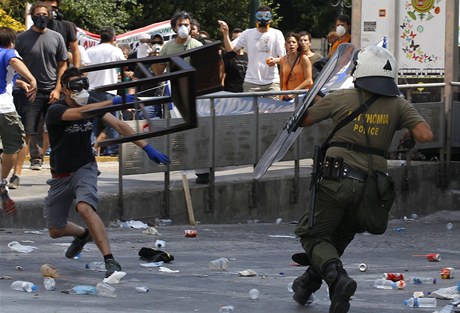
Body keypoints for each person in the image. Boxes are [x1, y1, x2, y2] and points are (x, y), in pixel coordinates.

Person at [291, 46, 433, 313]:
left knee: (312, 235)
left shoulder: (341, 97)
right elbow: (425, 135)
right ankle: (312, 285)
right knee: (340, 236)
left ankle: (337, 277)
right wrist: (407, 133)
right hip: (372, 189)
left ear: (360, 71)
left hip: (337, 179)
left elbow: (304, 119)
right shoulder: (399, 105)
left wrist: (313, 99)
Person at [44, 67, 170, 278]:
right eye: (76, 87)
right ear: (65, 90)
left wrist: (146, 147)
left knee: (84, 207)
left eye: (84, 85)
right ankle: (84, 235)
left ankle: (109, 259)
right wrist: (111, 102)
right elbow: (80, 113)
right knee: (55, 230)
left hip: (85, 167)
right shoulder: (56, 110)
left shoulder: (91, 102)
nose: (81, 90)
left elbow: (119, 125)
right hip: (60, 174)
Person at [11, 1, 68, 187]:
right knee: (26, 133)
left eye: (45, 14)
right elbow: (11, 64)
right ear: (32, 16)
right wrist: (20, 83)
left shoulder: (57, 37)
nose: (41, 17)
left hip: (52, 91)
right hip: (28, 92)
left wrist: (58, 88)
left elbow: (63, 64)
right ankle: (16, 175)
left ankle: (56, 171)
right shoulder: (21, 39)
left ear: (49, 16)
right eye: (38, 14)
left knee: (55, 132)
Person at [0, 27, 37, 215]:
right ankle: (1, 182)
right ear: (11, 41)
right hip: (3, 109)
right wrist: (31, 79)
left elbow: (6, 77)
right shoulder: (9, 52)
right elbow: (13, 61)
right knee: (13, 145)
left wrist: (20, 82)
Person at [219, 6, 285, 94]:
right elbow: (230, 49)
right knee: (250, 108)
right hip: (251, 82)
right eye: (260, 16)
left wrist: (275, 60)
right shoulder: (247, 33)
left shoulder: (277, 34)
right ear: (256, 18)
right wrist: (226, 33)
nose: (263, 19)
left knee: (272, 108)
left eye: (266, 16)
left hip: (272, 82)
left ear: (271, 19)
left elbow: (283, 58)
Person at [86, 26, 126, 156]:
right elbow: (124, 65)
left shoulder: (90, 50)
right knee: (111, 121)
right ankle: (114, 149)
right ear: (113, 37)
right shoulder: (116, 51)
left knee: (92, 121)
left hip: (92, 90)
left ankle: (90, 148)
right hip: (109, 90)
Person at [153, 11, 202, 76]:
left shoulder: (198, 45)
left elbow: (202, 70)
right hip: (175, 85)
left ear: (190, 27)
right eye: (180, 25)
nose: (183, 28)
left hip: (194, 84)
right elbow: (158, 73)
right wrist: (154, 57)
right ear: (174, 28)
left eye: (186, 25)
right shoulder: (167, 47)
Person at [279, 32, 313, 101]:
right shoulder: (282, 60)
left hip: (302, 96)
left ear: (297, 45)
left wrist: (294, 92)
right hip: (287, 98)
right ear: (285, 45)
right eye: (289, 42)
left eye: (294, 42)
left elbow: (309, 81)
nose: (291, 44)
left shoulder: (304, 59)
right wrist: (284, 93)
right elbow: (282, 81)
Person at [218, 26, 248, 93]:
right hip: (230, 93)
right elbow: (221, 75)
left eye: (238, 39)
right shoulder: (227, 56)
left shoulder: (247, 56)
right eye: (234, 39)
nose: (236, 41)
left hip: (245, 92)